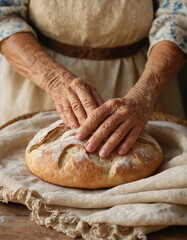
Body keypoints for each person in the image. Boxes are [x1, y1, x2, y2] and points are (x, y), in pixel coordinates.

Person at [0, 0, 186, 158]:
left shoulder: (145, 94)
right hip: (36, 79)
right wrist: (53, 79)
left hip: (145, 81)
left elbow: (178, 17)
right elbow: (5, 15)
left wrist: (144, 94)